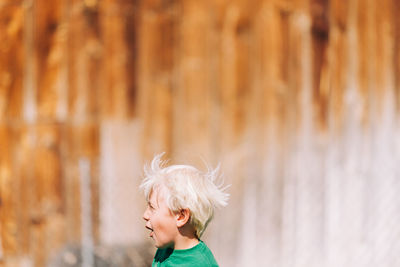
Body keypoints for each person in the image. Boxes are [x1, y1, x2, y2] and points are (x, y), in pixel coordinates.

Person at [140, 153, 229, 267]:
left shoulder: (198, 264)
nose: (145, 215)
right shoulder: (167, 249)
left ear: (181, 216)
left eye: (152, 208)